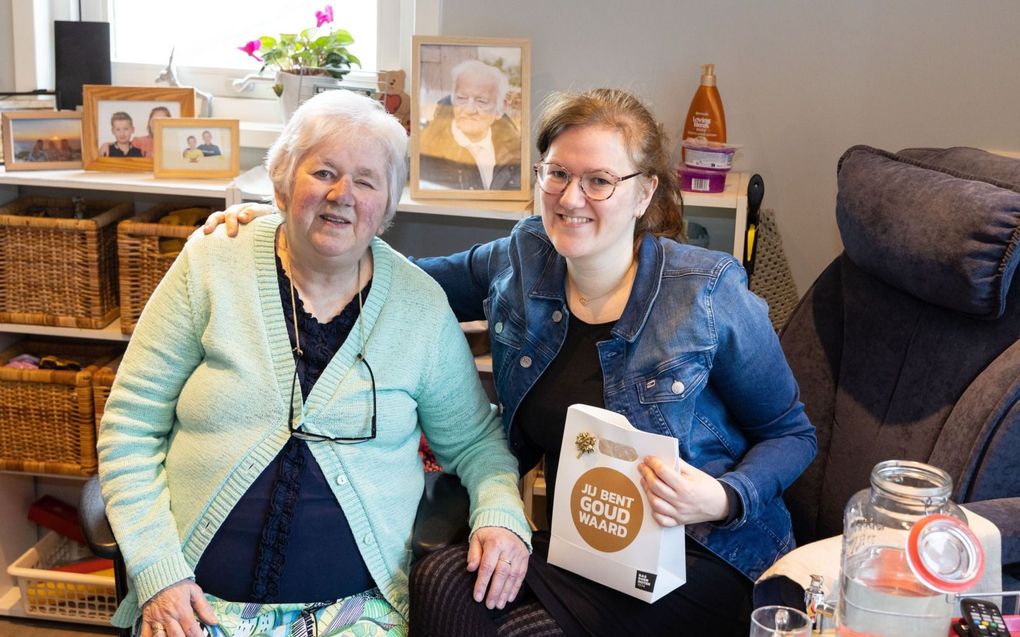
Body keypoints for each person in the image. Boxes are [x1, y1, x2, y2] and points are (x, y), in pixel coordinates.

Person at [205, 88, 817, 636]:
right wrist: (285, 224)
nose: (572, 198)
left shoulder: (706, 291)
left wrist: (723, 496)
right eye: (557, 174)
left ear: (644, 192)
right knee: (441, 581)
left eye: (599, 180)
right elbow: (398, 282)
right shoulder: (526, 256)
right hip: (592, 544)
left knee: (517, 629)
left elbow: (792, 433)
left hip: (705, 553)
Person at [97, 89, 531, 637]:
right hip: (192, 602)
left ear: (388, 205)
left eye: (367, 181)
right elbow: (129, 429)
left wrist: (501, 514)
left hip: (361, 611)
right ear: (281, 181)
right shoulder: (213, 264)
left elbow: (476, 444)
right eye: (323, 171)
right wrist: (158, 574)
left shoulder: (418, 306)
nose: (342, 194)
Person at [418, 59, 521, 191]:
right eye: (461, 98)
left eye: (481, 101)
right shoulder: (427, 151)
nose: (469, 110)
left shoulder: (515, 151)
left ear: (500, 109)